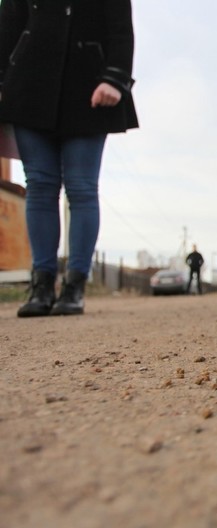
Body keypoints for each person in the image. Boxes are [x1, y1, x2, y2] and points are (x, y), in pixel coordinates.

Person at [0, 0, 138, 317]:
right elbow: (8, 26)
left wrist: (115, 77)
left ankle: (74, 286)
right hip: (28, 87)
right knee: (39, 185)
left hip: (90, 89)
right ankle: (42, 285)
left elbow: (121, 30)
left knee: (82, 187)